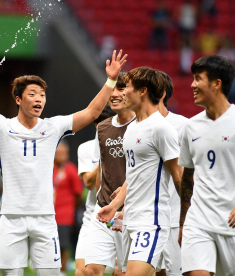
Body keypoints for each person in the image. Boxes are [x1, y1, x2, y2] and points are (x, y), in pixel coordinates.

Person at [0, 40, 127, 276]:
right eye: (33, 94)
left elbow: (91, 112)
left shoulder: (54, 127)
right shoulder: (1, 126)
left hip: (45, 218)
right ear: (18, 99)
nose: (39, 98)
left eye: (42, 94)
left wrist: (110, 80)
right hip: (11, 217)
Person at [178, 55, 235, 276]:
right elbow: (187, 178)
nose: (192, 85)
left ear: (217, 83)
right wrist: (183, 222)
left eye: (198, 79)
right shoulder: (191, 127)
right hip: (198, 222)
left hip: (234, 225)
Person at [97, 67, 183, 276]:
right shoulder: (132, 128)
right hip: (130, 219)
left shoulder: (161, 128)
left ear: (143, 91)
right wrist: (115, 205)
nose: (122, 92)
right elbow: (134, 175)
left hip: (152, 220)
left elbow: (179, 176)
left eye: (127, 87)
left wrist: (189, 218)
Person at [84, 72, 135, 276]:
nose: (114, 94)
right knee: (91, 270)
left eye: (120, 89)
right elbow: (101, 168)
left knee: (124, 272)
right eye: (112, 89)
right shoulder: (103, 127)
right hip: (104, 208)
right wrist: (100, 200)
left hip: (132, 211)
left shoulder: (143, 126)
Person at [75, 106, 115, 276]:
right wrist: (103, 157)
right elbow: (89, 184)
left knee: (121, 272)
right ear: (95, 126)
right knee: (82, 272)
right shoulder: (85, 148)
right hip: (92, 215)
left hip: (118, 215)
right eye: (102, 124)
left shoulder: (124, 144)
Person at [156, 71, 188, 276]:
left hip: (175, 216)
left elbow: (190, 171)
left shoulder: (184, 126)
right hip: (147, 216)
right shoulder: (134, 127)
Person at [53, 141, 84, 276]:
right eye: (60, 153)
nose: (63, 156)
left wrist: (70, 207)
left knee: (62, 244)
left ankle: (62, 271)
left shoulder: (71, 169)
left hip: (64, 214)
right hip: (48, 213)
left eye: (65, 153)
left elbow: (79, 193)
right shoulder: (48, 167)